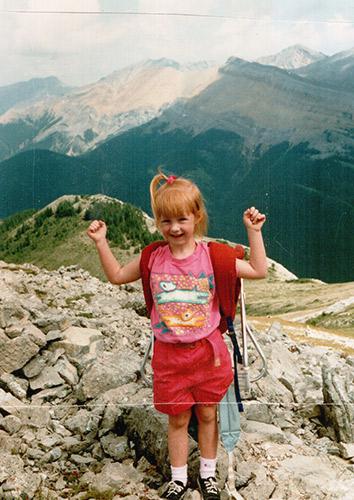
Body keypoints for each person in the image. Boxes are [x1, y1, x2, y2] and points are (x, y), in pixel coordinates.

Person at [87, 172, 267, 500]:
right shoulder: (152, 258)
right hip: (169, 355)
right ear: (158, 221)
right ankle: (179, 479)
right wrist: (101, 242)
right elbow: (115, 276)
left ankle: (209, 476)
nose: (174, 228)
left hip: (207, 352)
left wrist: (253, 232)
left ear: (196, 216)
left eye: (182, 219)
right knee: (178, 418)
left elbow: (258, 270)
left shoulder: (214, 256)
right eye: (165, 220)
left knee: (209, 413)